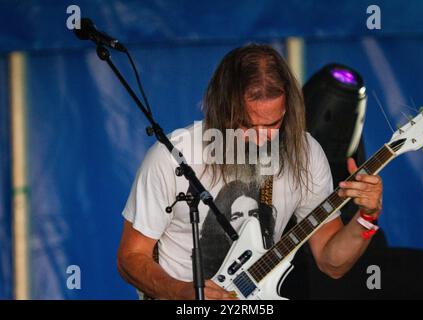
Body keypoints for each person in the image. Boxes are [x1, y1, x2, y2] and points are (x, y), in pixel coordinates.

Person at [117, 44, 383, 300]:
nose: (260, 140)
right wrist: (182, 292)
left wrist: (366, 219)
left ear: (287, 110)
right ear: (222, 108)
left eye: (272, 124)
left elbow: (331, 263)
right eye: (246, 124)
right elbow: (130, 257)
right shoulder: (174, 157)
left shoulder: (306, 154)